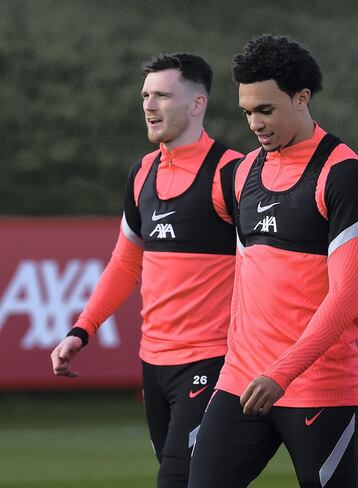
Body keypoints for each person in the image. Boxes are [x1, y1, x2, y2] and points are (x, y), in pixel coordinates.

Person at [187, 35, 358, 488]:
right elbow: (245, 281)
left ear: (302, 97)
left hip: (317, 385)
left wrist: (282, 373)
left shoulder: (345, 174)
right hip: (241, 380)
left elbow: (345, 298)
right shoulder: (242, 173)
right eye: (247, 112)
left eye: (266, 110)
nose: (254, 123)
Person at [49, 53, 243, 487]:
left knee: (177, 480)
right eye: (145, 95)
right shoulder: (142, 173)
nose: (149, 105)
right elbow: (125, 262)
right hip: (153, 364)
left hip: (212, 361)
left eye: (162, 95)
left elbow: (268, 264)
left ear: (197, 104)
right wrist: (81, 330)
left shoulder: (231, 172)